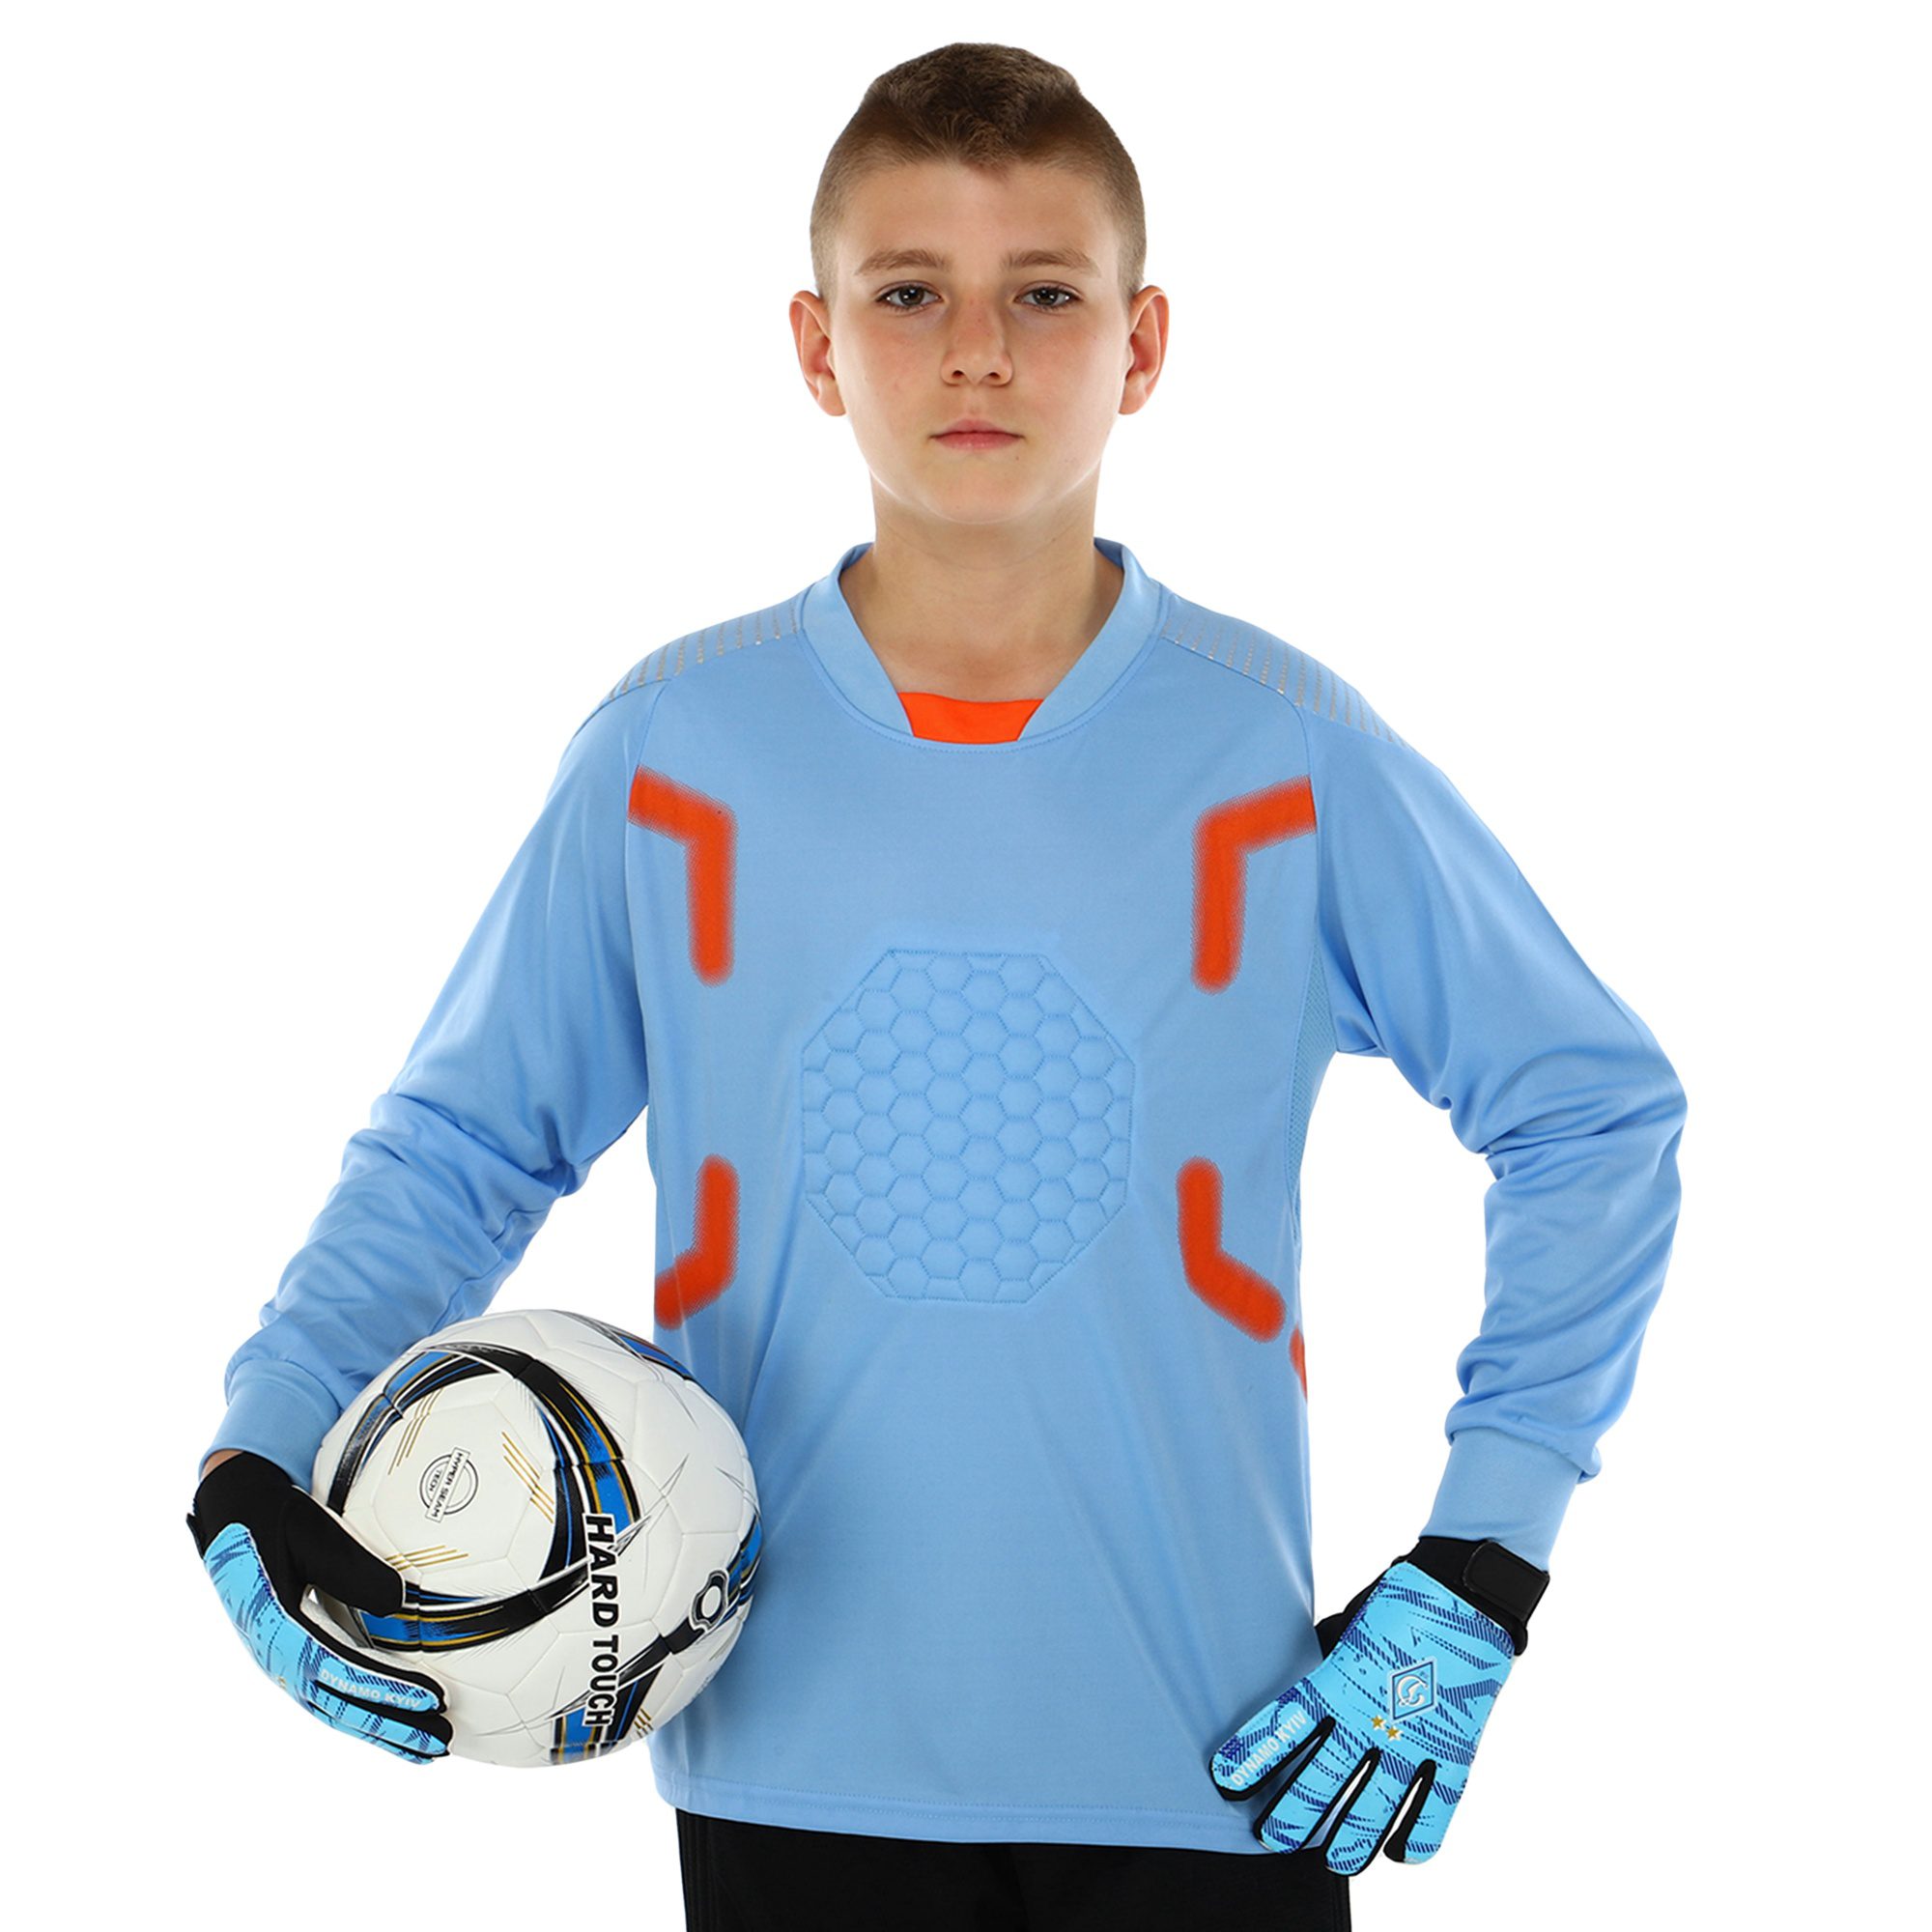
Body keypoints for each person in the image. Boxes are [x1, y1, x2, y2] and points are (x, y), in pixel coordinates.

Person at [186, 39, 1687, 1932]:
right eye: (910, 295)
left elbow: (1592, 1114)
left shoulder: (1285, 757)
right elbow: (461, 1148)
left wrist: (1484, 1558)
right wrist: (262, 1447)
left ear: (1142, 343)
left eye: (1042, 294)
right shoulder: (671, 755)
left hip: (1216, 1768)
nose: (977, 353)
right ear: (817, 346)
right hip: (790, 1767)